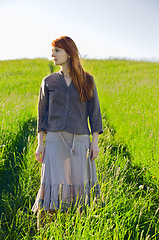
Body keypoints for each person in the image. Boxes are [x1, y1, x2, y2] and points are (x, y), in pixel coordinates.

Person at [32, 36, 103, 228]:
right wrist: (40, 144)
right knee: (51, 183)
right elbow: (42, 115)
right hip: (55, 140)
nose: (53, 54)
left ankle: (78, 228)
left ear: (69, 53)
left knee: (79, 184)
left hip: (80, 141)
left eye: (57, 50)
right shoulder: (48, 82)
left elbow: (94, 113)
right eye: (52, 50)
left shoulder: (87, 80)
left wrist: (95, 143)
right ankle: (45, 231)